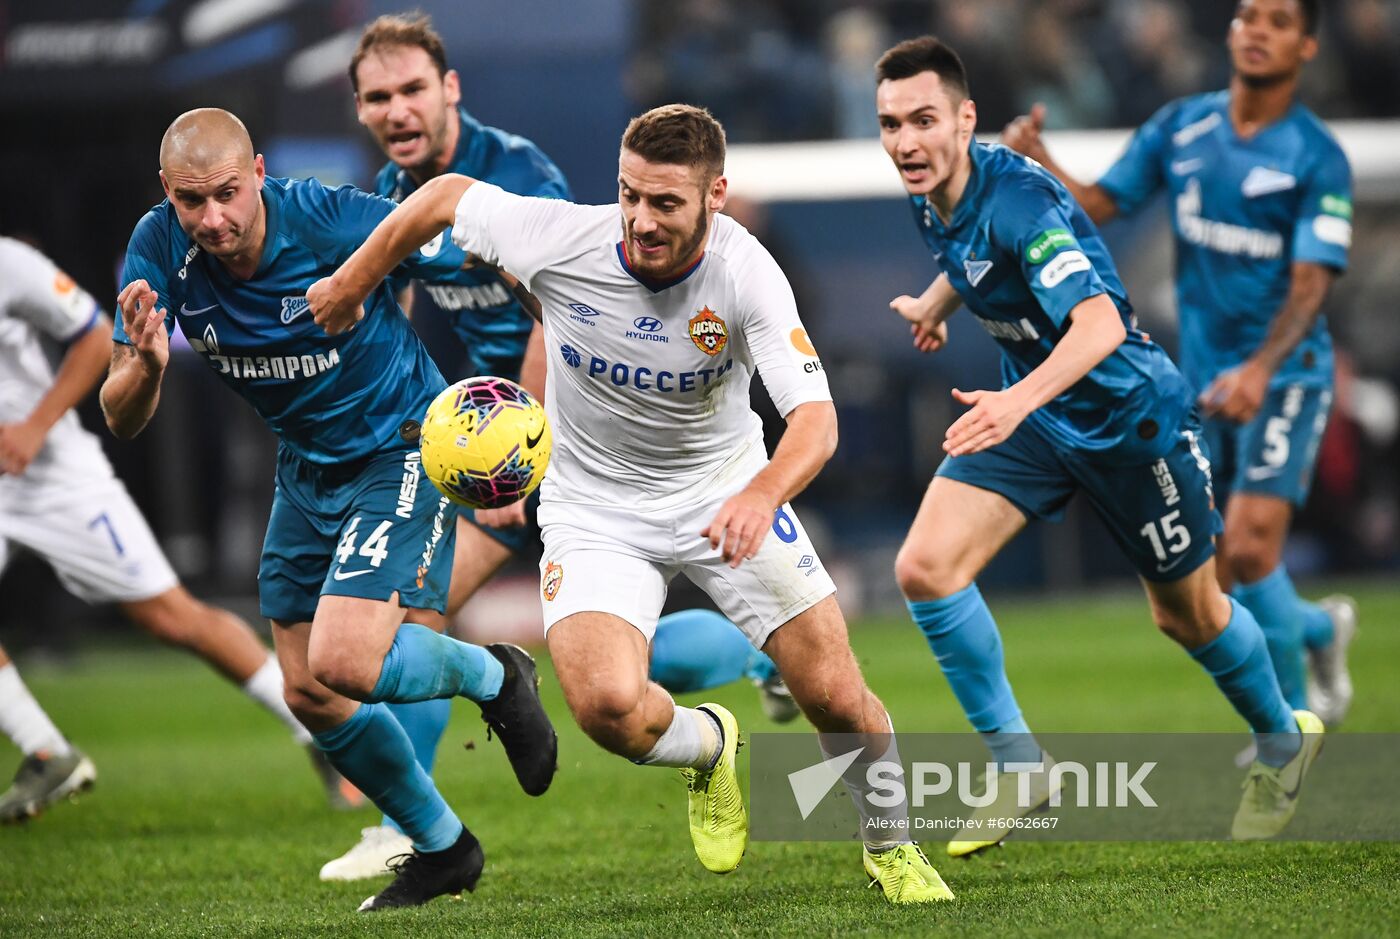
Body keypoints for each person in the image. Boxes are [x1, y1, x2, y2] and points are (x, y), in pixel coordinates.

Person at [309, 103, 954, 904]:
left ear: (715, 195)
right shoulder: (562, 236)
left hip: (727, 495)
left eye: (666, 204)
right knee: (608, 707)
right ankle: (710, 746)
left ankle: (888, 843)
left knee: (833, 694)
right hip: (594, 511)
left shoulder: (746, 273)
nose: (641, 221)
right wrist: (352, 279)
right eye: (630, 196)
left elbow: (816, 425)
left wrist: (760, 494)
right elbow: (441, 196)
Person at [318, 14, 796, 883]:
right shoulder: (393, 188)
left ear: (450, 88)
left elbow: (560, 307)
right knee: (583, 656)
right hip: (475, 439)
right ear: (358, 107)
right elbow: (413, 302)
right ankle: (760, 658)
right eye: (379, 96)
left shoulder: (512, 175)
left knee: (421, 619)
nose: (398, 109)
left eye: (413, 90)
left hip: (542, 438)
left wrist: (524, 443)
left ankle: (410, 824)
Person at [98, 108, 557, 911]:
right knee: (307, 687)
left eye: (229, 194)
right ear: (166, 195)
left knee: (346, 661)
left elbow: (451, 221)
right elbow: (119, 413)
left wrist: (552, 303)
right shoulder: (156, 249)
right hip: (306, 467)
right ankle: (444, 847)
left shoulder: (325, 217)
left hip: (402, 445)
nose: (213, 219)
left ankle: (496, 674)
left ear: (261, 173)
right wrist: (145, 366)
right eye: (192, 202)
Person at [873, 35, 1323, 854]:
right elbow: (972, 256)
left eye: (924, 120)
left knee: (1188, 617)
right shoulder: (931, 188)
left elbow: (1101, 323)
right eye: (891, 123)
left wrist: (1014, 400)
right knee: (925, 568)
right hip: (1041, 417)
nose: (905, 141)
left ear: (966, 119)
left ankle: (1283, 739)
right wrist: (937, 303)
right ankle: (1019, 764)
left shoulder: (1019, 201)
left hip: (1129, 419)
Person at [1000, 0, 1356, 731]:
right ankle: (1319, 630)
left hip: (1284, 373)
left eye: (1279, 20)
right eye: (1248, 15)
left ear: (1308, 45)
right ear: (1229, 31)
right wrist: (1047, 164)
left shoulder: (1318, 157)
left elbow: (1313, 280)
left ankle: (1291, 730)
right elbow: (1100, 202)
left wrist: (1261, 368)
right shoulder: (1182, 125)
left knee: (1252, 550)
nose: (1257, 29)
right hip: (1198, 374)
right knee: (1219, 570)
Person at [0, 236, 356, 821]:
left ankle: (317, 732)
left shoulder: (10, 263)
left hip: (49, 474)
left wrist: (36, 427)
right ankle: (47, 751)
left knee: (170, 616)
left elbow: (93, 335)